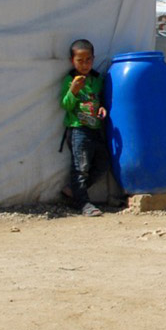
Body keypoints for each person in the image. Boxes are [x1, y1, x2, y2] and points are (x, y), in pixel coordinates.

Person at [59, 39, 108, 217]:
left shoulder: (97, 79)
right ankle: (83, 203)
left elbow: (100, 100)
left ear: (93, 59)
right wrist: (72, 90)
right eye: (80, 60)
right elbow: (65, 105)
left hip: (95, 129)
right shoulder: (70, 79)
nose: (85, 64)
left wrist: (102, 108)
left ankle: (73, 191)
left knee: (103, 163)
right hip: (78, 129)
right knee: (80, 168)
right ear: (72, 61)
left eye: (88, 60)